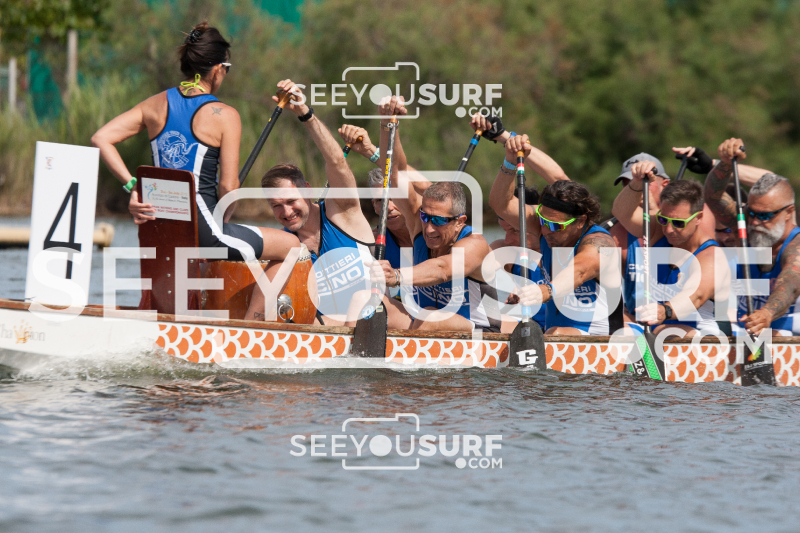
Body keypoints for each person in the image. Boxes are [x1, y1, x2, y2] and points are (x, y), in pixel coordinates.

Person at [91, 22, 299, 318]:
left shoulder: (154, 105)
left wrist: (133, 187)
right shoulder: (225, 115)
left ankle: (184, 318)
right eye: (227, 68)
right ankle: (252, 327)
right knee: (290, 245)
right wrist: (223, 218)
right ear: (218, 69)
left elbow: (101, 138)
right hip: (202, 232)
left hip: (158, 230)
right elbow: (229, 187)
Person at [366, 97, 501, 333]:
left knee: (428, 316)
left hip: (480, 333)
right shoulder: (419, 225)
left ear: (460, 222)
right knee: (369, 303)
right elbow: (395, 173)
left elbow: (442, 269)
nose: (428, 228)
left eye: (438, 221)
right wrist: (388, 122)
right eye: (426, 217)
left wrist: (396, 276)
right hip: (424, 323)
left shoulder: (475, 245)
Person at [256, 80, 375, 325]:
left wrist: (305, 113)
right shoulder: (282, 245)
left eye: (291, 201)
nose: (286, 212)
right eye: (276, 205)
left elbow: (337, 162)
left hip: (373, 322)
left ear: (308, 190)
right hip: (325, 333)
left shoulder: (341, 213)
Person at [496, 135, 617, 335]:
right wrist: (509, 161)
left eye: (556, 226)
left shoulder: (599, 242)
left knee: (555, 333)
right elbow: (501, 204)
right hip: (556, 334)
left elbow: (579, 271)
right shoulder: (545, 228)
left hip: (602, 339)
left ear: (580, 221)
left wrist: (544, 291)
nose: (546, 231)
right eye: (543, 222)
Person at [704, 138, 800, 336]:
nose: (755, 222)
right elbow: (713, 197)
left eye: (765, 216)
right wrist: (725, 163)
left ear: (789, 212)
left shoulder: (796, 246)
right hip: (747, 329)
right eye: (752, 212)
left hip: (788, 333)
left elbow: (790, 285)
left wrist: (767, 313)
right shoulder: (745, 226)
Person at [615, 169, 727, 336]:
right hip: (655, 329)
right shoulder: (657, 231)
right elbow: (621, 212)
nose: (668, 229)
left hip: (696, 335)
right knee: (612, 325)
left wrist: (664, 311)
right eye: (663, 219)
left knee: (668, 332)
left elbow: (695, 295)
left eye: (678, 223)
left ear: (698, 218)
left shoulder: (712, 256)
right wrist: (636, 183)